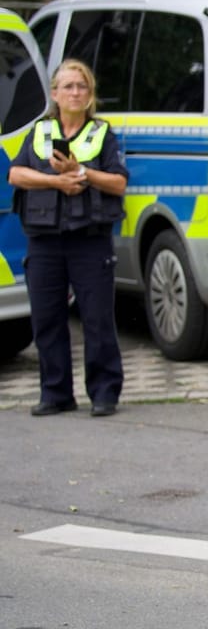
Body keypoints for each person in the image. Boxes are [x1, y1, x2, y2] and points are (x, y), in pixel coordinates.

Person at [8, 58, 127, 417]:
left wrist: (83, 172)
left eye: (82, 86)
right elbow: (15, 174)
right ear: (55, 93)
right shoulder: (40, 132)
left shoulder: (102, 134)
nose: (75, 92)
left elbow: (119, 183)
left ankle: (104, 392)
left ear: (90, 95)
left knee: (96, 319)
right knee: (46, 318)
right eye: (68, 86)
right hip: (44, 240)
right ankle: (56, 393)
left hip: (89, 239)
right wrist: (55, 181)